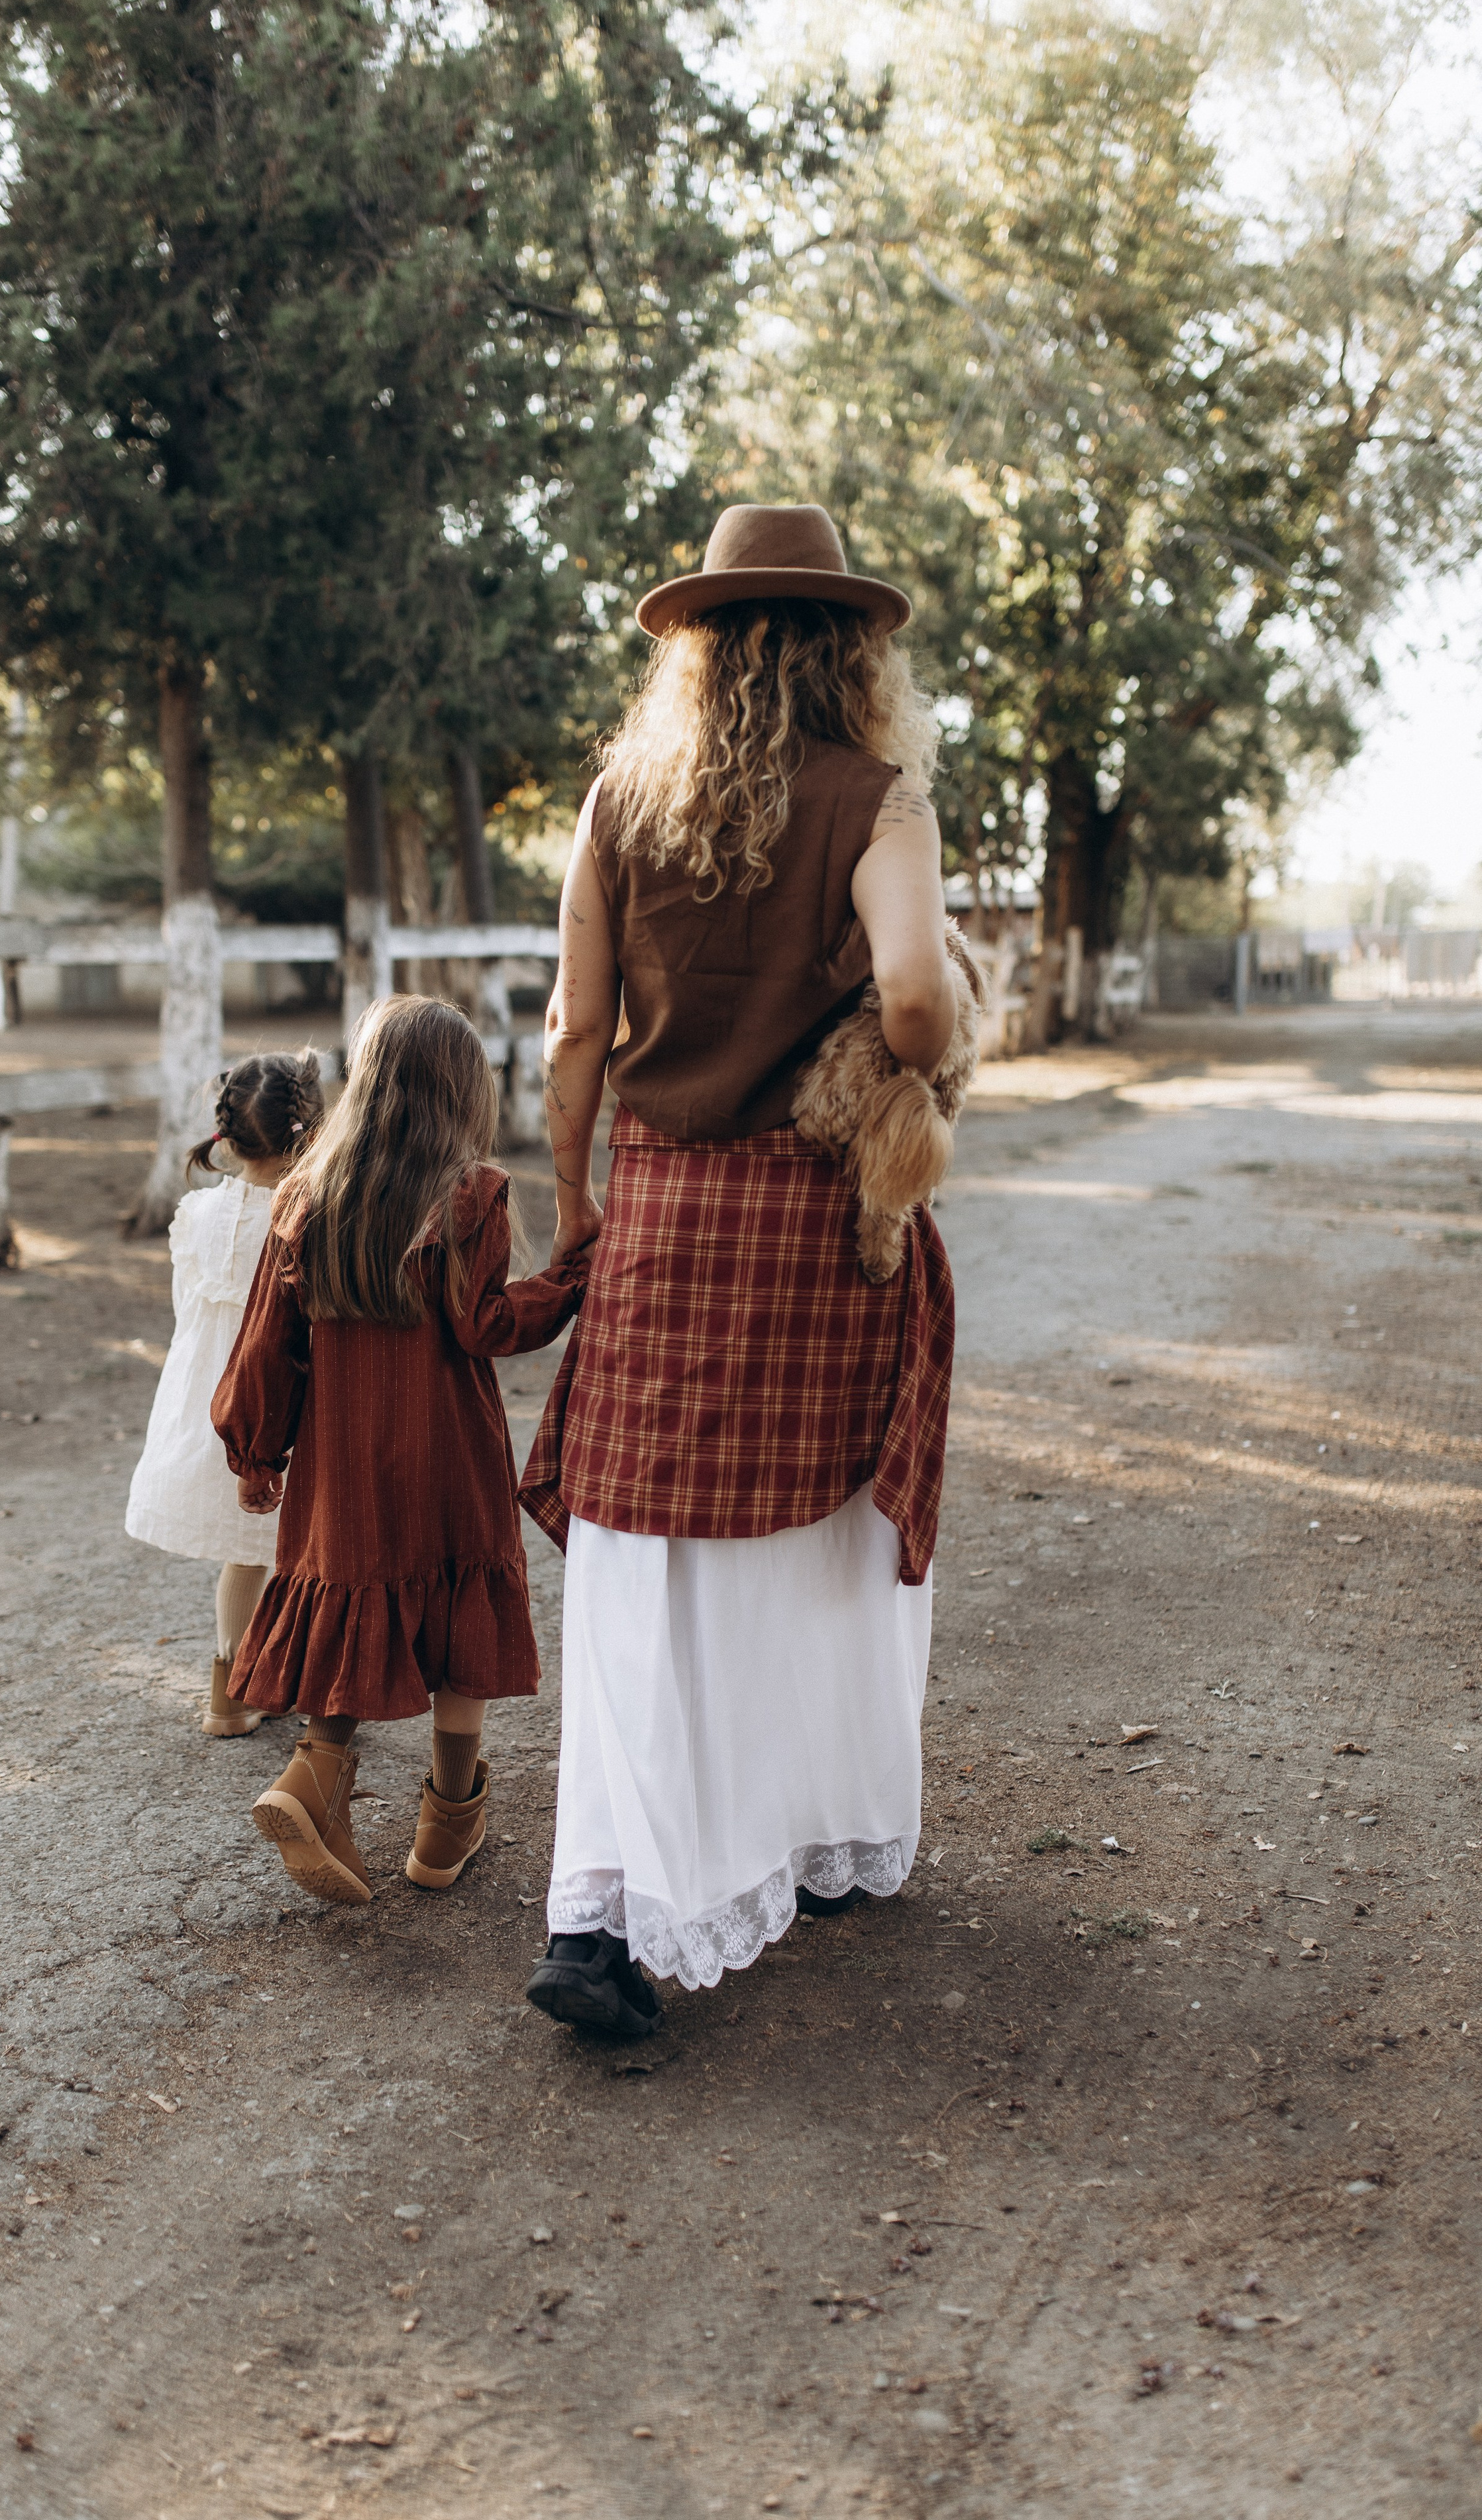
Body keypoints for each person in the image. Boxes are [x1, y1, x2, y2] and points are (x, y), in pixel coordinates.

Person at [519, 502, 961, 2039]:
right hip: (810, 1223)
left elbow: (573, 1033)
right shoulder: (872, 798)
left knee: (646, 1560)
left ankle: (606, 1912)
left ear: (697, 652)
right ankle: (815, 1839)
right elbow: (911, 995)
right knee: (822, 1529)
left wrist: (571, 1196)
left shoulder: (619, 801)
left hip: (658, 1218)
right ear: (849, 651)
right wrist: (916, 1033)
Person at [211, 994, 592, 1907]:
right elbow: (488, 1324)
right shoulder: (471, 1196)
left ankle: (314, 1775)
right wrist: (572, 1279)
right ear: (462, 1093)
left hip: (343, 1468)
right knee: (460, 1629)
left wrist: (256, 1450)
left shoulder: (306, 1197)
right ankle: (445, 1823)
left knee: (353, 1613)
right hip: (449, 1458)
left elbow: (269, 1343)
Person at [125, 1051, 324, 1736]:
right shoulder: (311, 1215)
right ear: (309, 1131)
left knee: (246, 1551)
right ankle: (292, 1682)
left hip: (212, 1396)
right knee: (305, 1550)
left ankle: (231, 1691)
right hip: (285, 1403)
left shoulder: (197, 1213)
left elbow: (188, 1309)